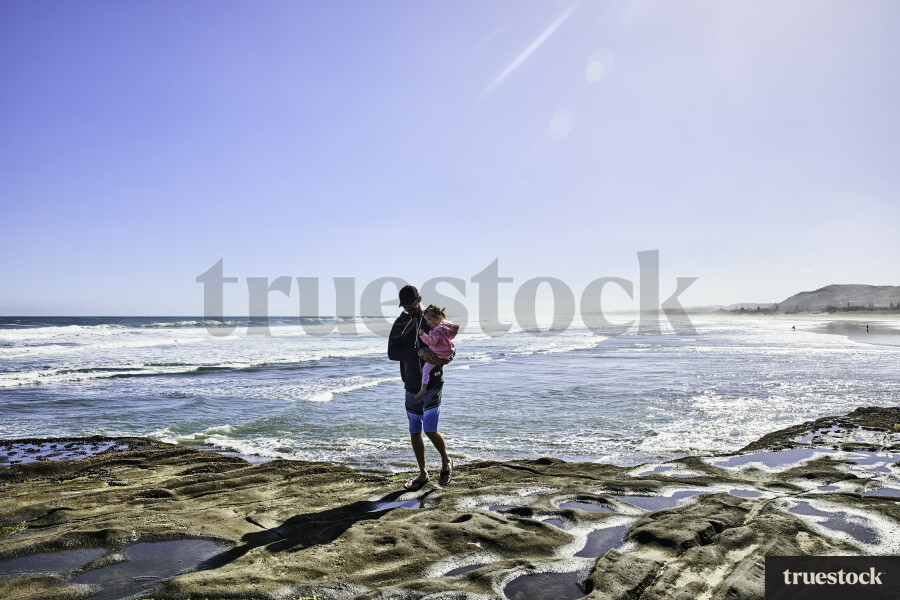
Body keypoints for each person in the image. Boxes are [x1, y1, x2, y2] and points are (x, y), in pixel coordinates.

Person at [388, 285, 453, 490]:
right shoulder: (400, 323)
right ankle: (423, 473)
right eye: (406, 307)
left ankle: (446, 461)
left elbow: (450, 348)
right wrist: (415, 352)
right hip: (411, 384)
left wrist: (443, 360)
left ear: (420, 299)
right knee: (415, 430)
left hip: (433, 382)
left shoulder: (432, 319)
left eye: (412, 306)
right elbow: (392, 353)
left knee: (430, 429)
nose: (410, 310)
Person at [415, 305, 459, 400]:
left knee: (425, 370)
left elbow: (431, 342)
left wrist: (423, 335)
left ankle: (423, 389)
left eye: (429, 320)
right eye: (426, 320)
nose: (427, 322)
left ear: (438, 318)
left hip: (438, 355)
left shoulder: (436, 330)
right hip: (446, 353)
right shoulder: (443, 327)